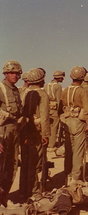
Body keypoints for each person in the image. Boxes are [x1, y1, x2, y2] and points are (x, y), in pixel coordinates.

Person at [20, 68, 50, 199]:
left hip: (24, 130)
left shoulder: (24, 92)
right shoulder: (42, 94)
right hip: (36, 132)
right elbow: (44, 116)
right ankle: (34, 191)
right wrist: (46, 134)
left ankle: (23, 191)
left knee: (25, 162)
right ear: (41, 80)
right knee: (36, 162)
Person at [61, 66, 88, 184]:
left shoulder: (65, 90)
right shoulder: (81, 91)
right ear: (83, 77)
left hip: (67, 121)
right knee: (78, 151)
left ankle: (67, 175)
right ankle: (75, 178)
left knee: (69, 150)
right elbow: (87, 109)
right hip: (78, 122)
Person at [0, 60, 23, 207]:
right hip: (2, 133)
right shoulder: (1, 88)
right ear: (5, 73)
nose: (15, 75)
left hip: (14, 132)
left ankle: (3, 196)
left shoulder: (15, 90)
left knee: (12, 167)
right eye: (12, 73)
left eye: (17, 73)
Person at [44, 70, 65, 151]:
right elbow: (59, 100)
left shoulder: (46, 86)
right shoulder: (58, 87)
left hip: (47, 108)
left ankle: (47, 142)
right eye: (62, 78)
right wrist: (60, 111)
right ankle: (51, 145)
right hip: (54, 109)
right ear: (59, 77)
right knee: (54, 128)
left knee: (47, 126)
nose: (62, 79)